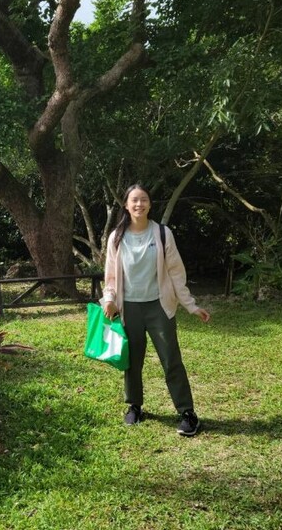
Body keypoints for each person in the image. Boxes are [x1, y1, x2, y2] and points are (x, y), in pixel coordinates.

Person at [101, 184, 211, 436]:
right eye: (134, 200)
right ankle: (135, 406)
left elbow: (175, 272)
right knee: (132, 362)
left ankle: (187, 412)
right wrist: (109, 299)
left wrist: (191, 305)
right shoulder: (117, 237)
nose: (139, 204)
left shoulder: (162, 234)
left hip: (159, 307)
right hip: (129, 309)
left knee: (171, 359)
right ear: (126, 206)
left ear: (150, 204)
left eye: (144, 200)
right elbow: (111, 278)